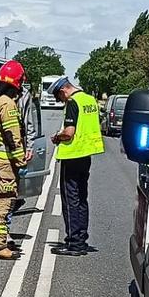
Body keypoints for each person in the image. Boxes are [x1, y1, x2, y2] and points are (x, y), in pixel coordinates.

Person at [0, 59, 31, 260]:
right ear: (16, 84)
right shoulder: (8, 104)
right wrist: (21, 160)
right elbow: (13, 135)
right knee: (3, 202)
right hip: (5, 163)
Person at [49, 75, 104, 255]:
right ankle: (81, 238)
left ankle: (73, 243)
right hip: (86, 155)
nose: (60, 100)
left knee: (70, 199)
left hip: (72, 155)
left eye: (59, 97)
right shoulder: (89, 100)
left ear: (63, 90)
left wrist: (58, 137)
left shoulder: (73, 102)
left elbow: (70, 132)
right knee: (81, 198)